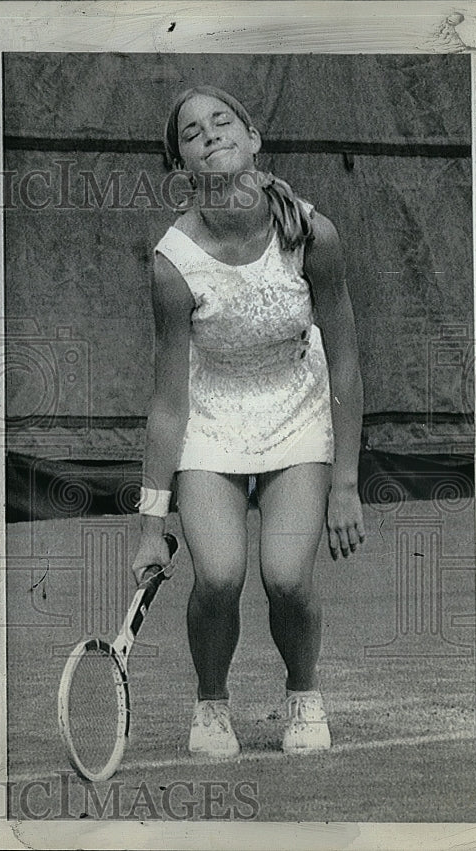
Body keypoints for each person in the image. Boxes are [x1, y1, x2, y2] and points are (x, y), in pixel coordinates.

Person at [132, 86, 365, 758]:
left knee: (288, 577)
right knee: (220, 575)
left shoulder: (312, 233)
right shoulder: (172, 263)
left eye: (223, 122)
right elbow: (169, 401)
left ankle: (302, 690)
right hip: (211, 417)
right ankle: (210, 702)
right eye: (193, 132)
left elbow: (345, 362)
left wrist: (345, 480)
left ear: (254, 139)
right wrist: (151, 524)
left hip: (298, 409)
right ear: (180, 164)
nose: (210, 135)